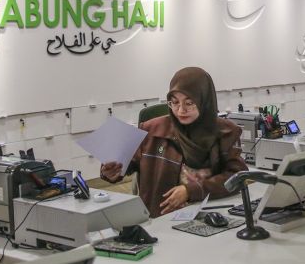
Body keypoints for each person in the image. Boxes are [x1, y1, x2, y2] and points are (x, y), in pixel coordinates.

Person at [100, 66, 246, 217]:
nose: (181, 110)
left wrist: (191, 190)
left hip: (208, 217)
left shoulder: (226, 132)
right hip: (158, 218)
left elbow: (238, 176)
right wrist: (112, 171)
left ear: (205, 101)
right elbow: (127, 165)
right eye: (174, 102)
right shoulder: (151, 129)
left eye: (189, 103)